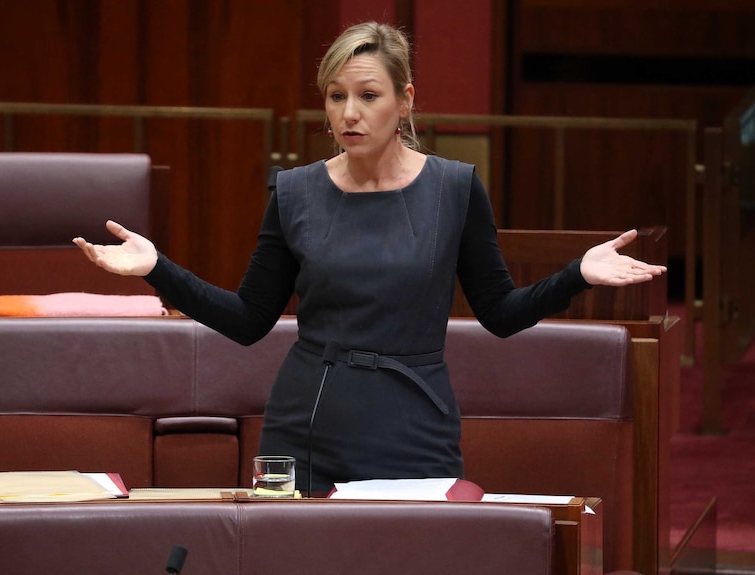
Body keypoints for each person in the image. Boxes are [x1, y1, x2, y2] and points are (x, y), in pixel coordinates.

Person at [73, 21, 666, 493]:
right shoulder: (296, 191)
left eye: (368, 95)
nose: (348, 113)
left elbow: (500, 313)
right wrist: (158, 270)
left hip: (414, 422)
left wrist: (575, 276)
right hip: (304, 423)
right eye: (336, 97)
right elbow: (250, 319)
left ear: (406, 101)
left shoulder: (455, 189)